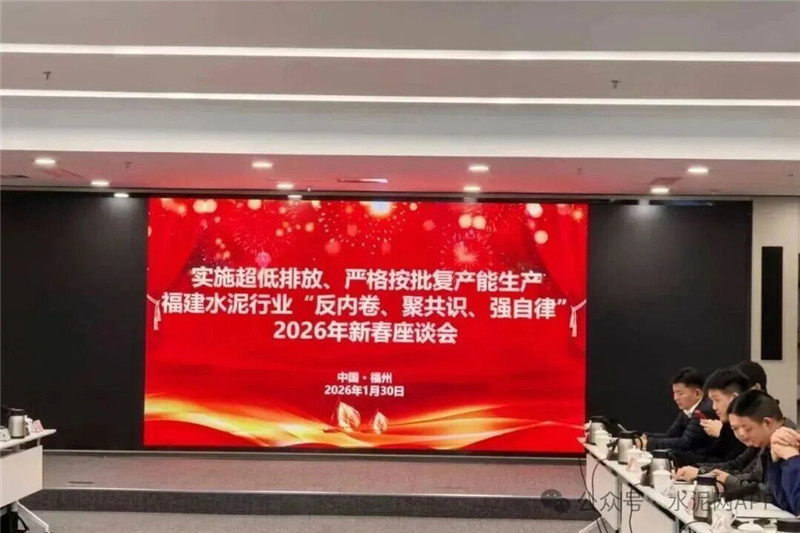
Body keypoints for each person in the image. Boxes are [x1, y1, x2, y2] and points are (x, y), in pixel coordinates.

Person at [699, 390, 794, 500]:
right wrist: (716, 477)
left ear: (767, 423)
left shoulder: (791, 444)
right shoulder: (764, 444)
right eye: (735, 429)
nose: (741, 434)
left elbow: (776, 495)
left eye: (747, 428)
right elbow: (752, 475)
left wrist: (728, 481)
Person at [671, 368, 748, 467]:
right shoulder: (726, 427)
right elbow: (711, 453)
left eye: (717, 400)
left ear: (734, 398)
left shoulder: (748, 430)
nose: (714, 407)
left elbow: (735, 465)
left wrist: (698, 469)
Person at [639, 367, 716, 453]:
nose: (675, 398)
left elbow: (685, 443)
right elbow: (670, 436)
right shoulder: (687, 411)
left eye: (680, 393)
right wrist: (644, 436)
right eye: (674, 393)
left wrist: (647, 443)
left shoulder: (704, 410)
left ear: (697, 393)